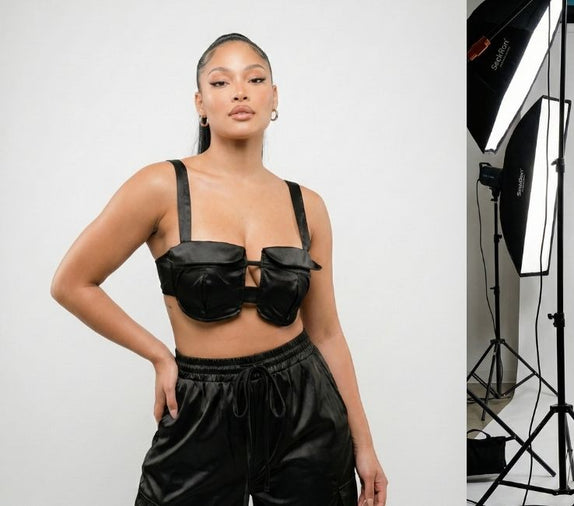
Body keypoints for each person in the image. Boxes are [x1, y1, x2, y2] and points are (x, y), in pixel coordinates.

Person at [50, 33, 387, 505]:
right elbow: (71, 283)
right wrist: (159, 355)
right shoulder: (161, 186)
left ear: (274, 99)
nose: (241, 91)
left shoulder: (307, 206)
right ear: (200, 103)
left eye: (255, 78)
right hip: (201, 406)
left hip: (305, 409)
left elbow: (327, 333)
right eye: (221, 81)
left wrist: (364, 446)